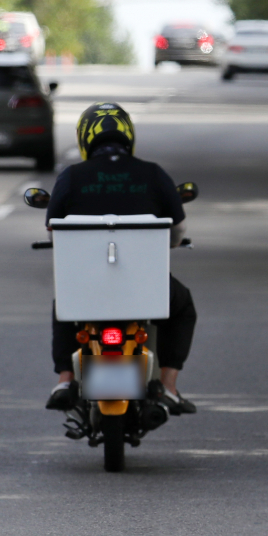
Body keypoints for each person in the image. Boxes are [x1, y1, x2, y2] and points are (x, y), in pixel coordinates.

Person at [44, 102, 197, 416]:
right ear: (129, 136)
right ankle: (168, 386)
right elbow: (178, 228)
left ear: (85, 139)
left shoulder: (72, 176)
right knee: (182, 306)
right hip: (145, 286)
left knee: (64, 304)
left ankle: (65, 379)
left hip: (87, 286)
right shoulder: (153, 174)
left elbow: (53, 230)